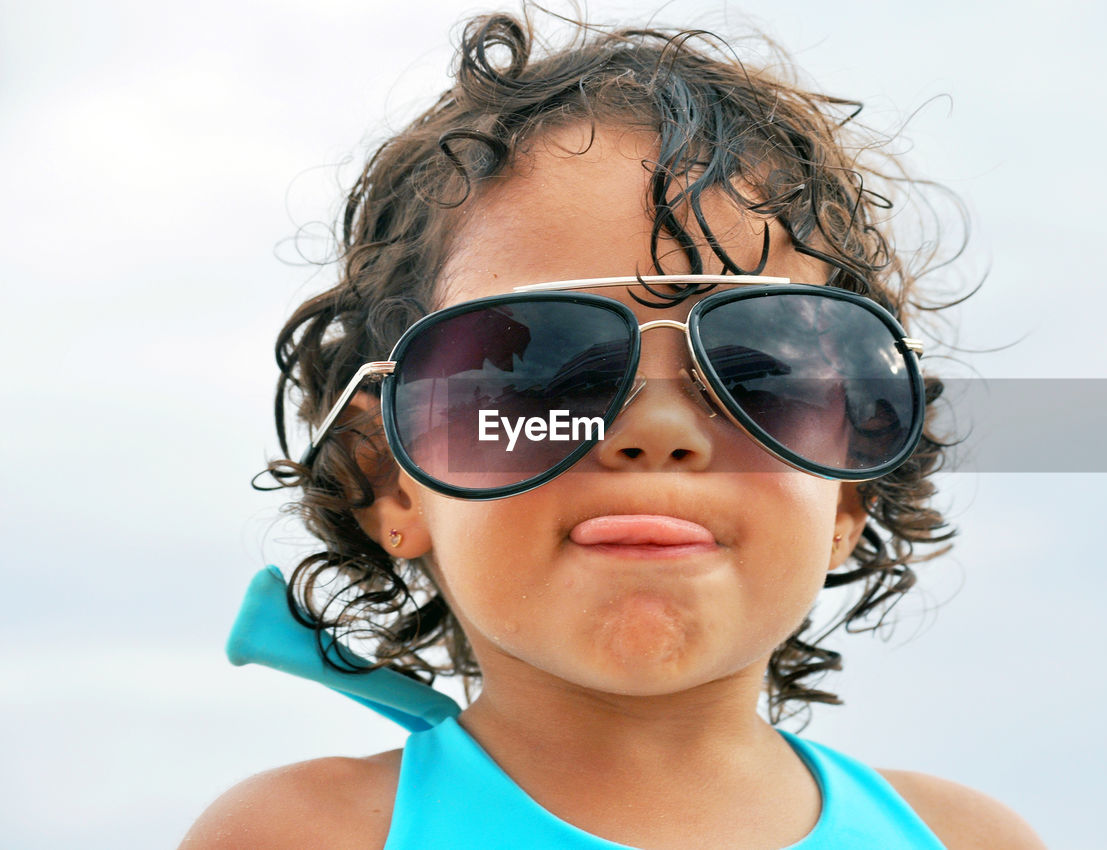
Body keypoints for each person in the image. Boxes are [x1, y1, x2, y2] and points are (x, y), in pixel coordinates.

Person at [183, 9, 1045, 849]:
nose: (662, 430)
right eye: (539, 368)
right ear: (390, 477)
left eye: (759, 374)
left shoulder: (966, 839)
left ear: (850, 489)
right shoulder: (305, 836)